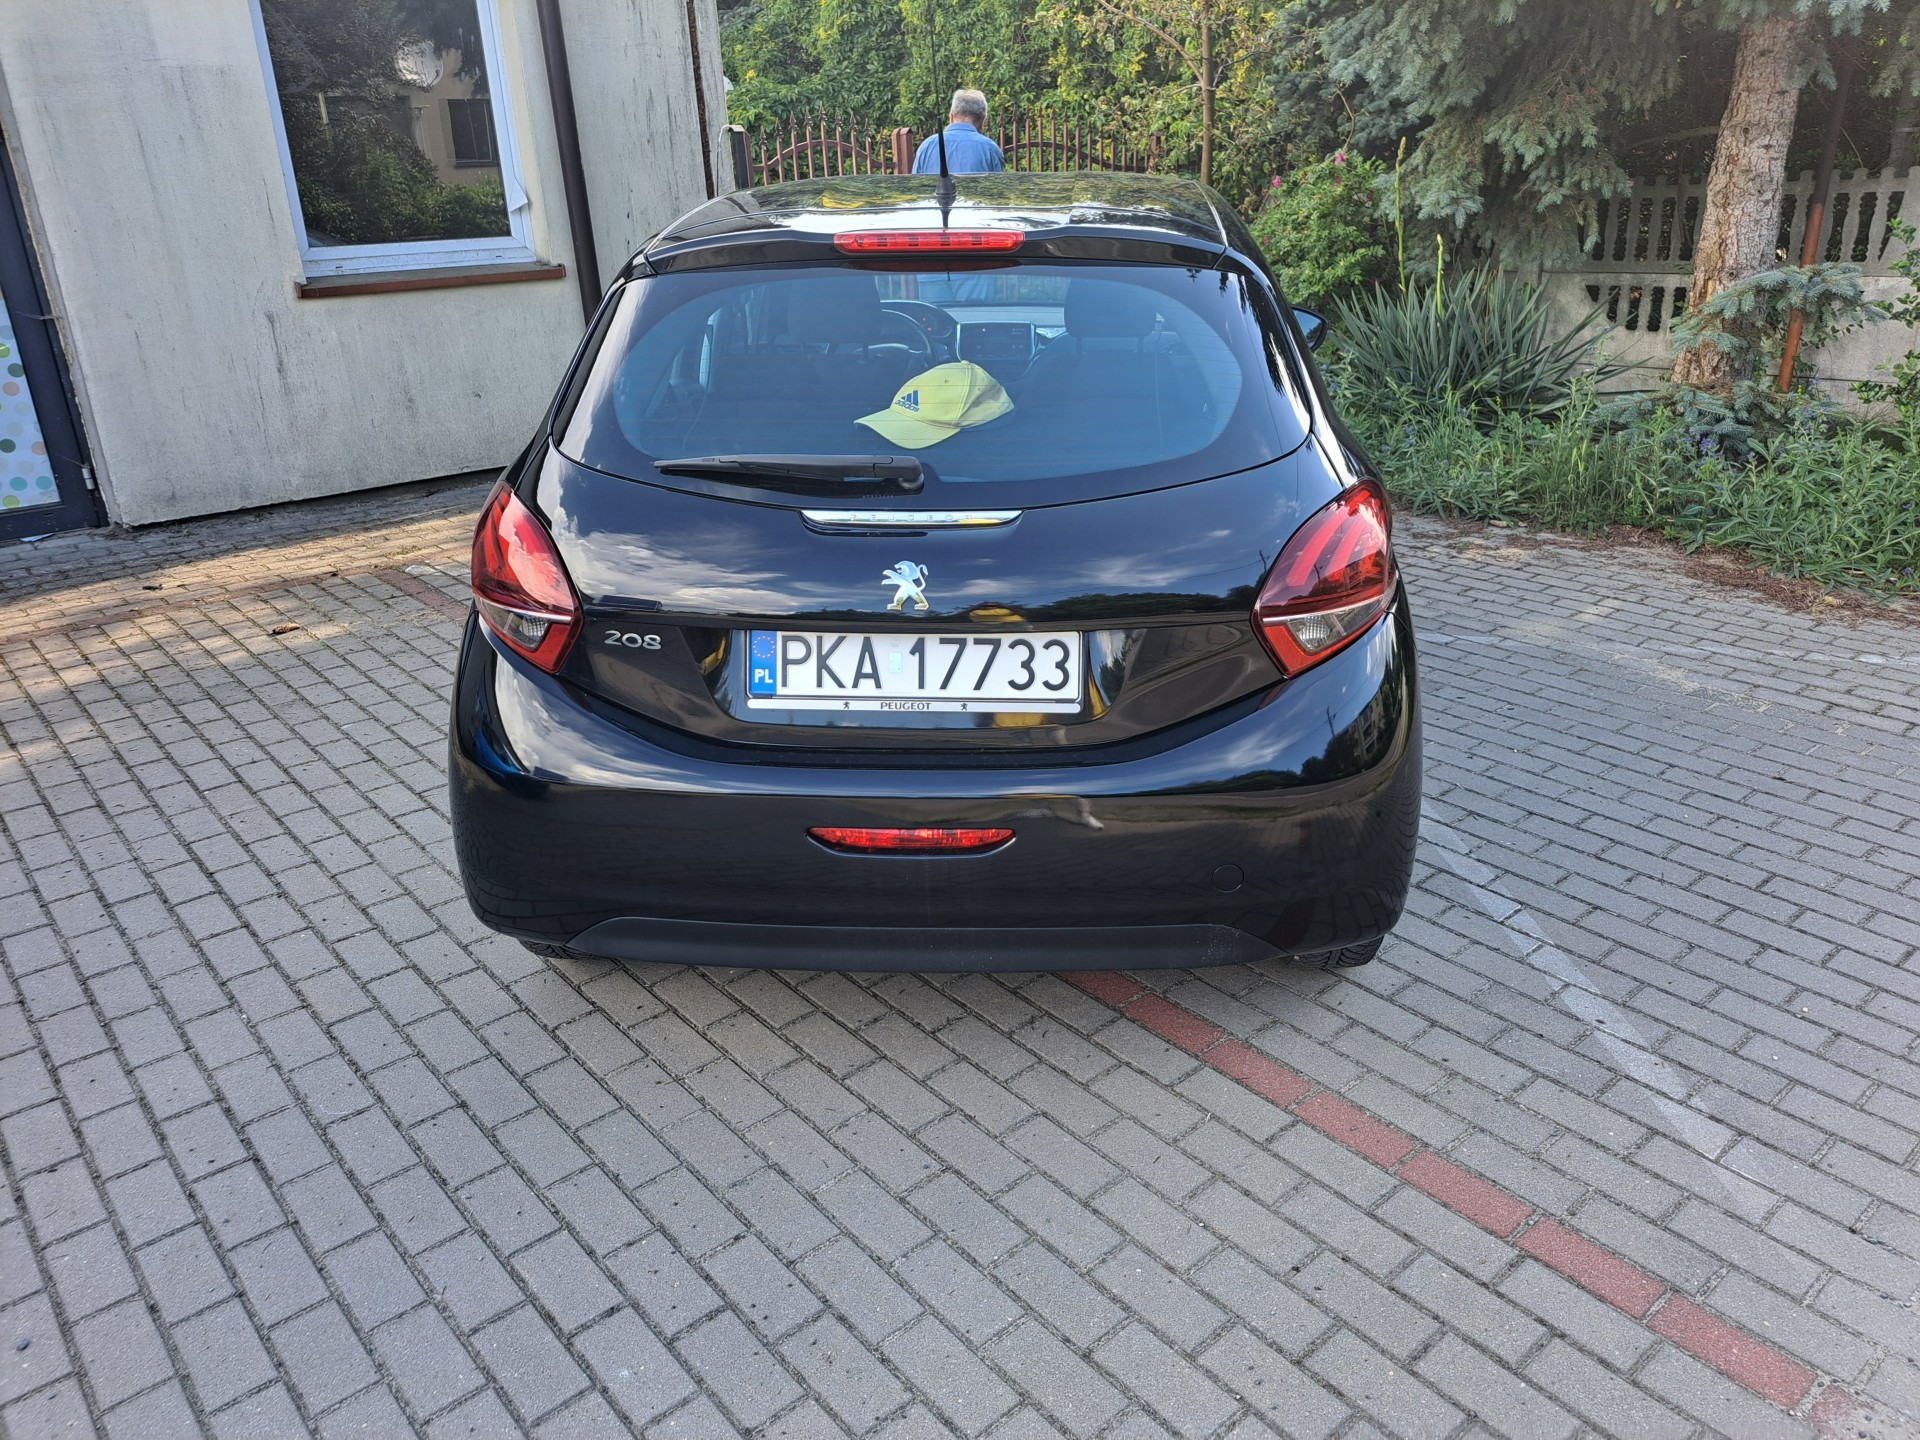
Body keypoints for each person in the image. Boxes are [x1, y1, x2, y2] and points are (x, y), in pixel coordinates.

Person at [913, 90, 1005, 174]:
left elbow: (915, 184)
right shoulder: (990, 149)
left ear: (951, 117)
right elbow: (998, 185)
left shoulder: (926, 146)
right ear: (983, 121)